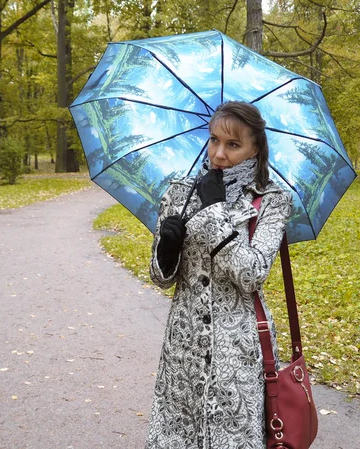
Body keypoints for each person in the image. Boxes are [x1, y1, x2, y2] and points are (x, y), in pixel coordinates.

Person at [146, 101, 293, 449]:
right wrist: (166, 251)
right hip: (183, 345)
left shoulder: (270, 200)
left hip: (237, 349)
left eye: (233, 144)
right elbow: (161, 277)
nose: (218, 154)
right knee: (177, 437)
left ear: (255, 147)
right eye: (214, 140)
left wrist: (214, 213)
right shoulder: (180, 193)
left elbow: (253, 274)